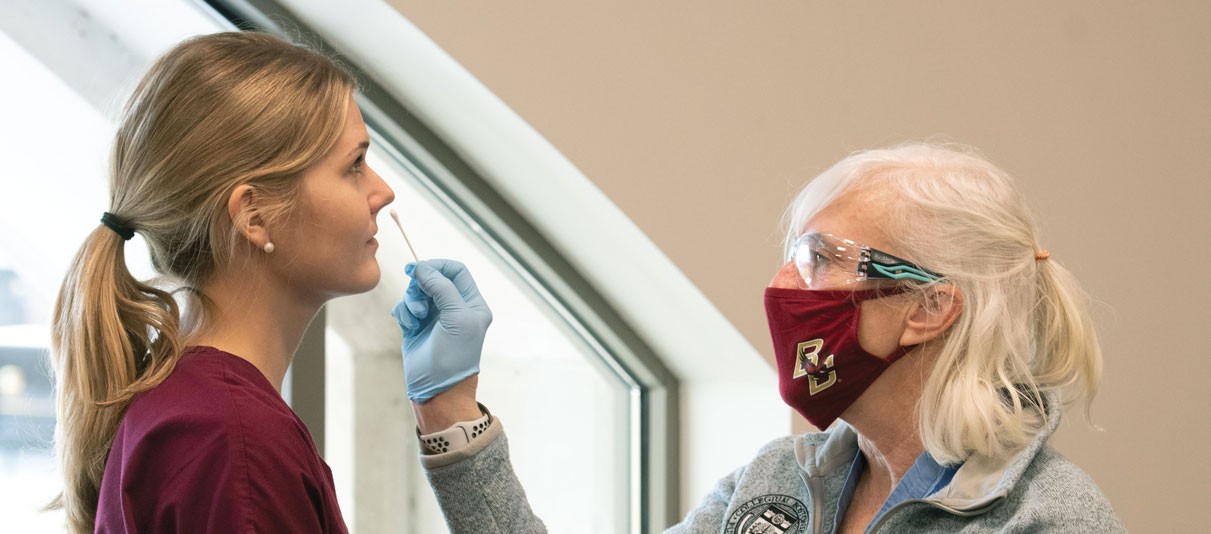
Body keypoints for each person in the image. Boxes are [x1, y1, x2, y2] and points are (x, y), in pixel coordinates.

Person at [395, 143, 1127, 532]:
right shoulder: (777, 482)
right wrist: (450, 413)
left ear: (928, 307)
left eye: (819, 257)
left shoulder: (1045, 519)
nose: (783, 283)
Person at [48, 32, 394, 533]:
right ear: (255, 217)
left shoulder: (199, 412)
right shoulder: (235, 442)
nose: (383, 192)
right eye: (354, 166)